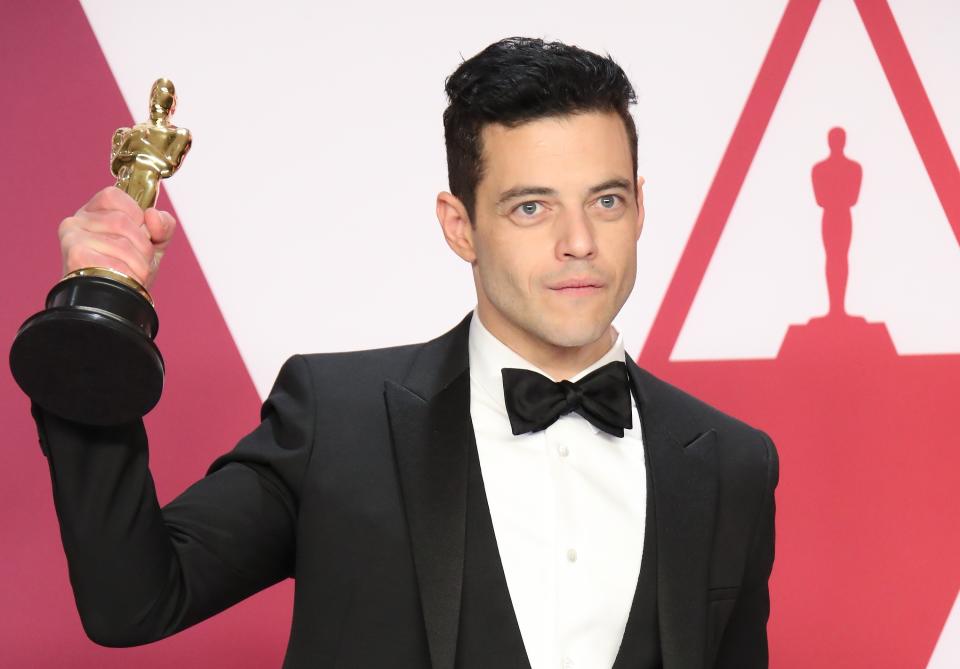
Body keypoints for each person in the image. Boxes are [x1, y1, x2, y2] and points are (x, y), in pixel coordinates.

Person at [35, 37, 778, 669]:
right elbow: (131, 598)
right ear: (460, 226)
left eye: (606, 201)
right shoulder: (338, 420)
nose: (579, 241)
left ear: (640, 208)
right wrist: (93, 328)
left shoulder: (732, 465)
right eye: (532, 206)